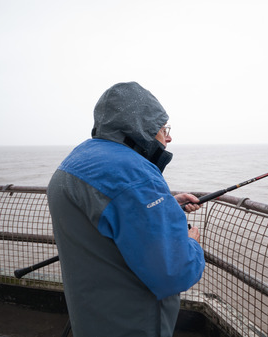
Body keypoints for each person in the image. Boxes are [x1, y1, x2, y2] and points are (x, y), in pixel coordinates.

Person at [47, 81, 205, 336]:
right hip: (133, 324)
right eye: (164, 128)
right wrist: (192, 243)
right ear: (141, 127)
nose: (169, 136)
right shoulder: (134, 175)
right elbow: (175, 272)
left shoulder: (75, 162)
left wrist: (166, 206)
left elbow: (111, 214)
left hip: (91, 319)